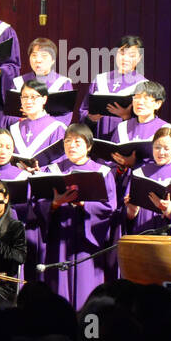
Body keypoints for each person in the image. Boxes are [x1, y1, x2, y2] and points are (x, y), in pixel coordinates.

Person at [35, 123, 116, 309]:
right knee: (58, 292)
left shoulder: (102, 173)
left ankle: (89, 333)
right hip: (59, 239)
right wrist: (54, 204)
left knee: (87, 294)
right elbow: (38, 203)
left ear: (89, 146)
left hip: (86, 243)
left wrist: (84, 204)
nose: (71, 146)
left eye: (77, 142)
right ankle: (61, 330)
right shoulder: (53, 170)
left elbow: (109, 207)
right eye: (67, 141)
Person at [124, 126, 171, 237]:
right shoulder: (139, 173)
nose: (161, 152)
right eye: (157, 147)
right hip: (141, 233)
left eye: (166, 148)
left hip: (168, 237)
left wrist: (168, 209)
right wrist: (131, 210)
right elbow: (128, 216)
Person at [6, 37, 76, 127]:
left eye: (44, 56)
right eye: (34, 55)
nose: (38, 60)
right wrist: (22, 120)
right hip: (23, 130)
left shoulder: (62, 83)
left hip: (50, 133)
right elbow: (8, 117)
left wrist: (39, 120)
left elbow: (65, 117)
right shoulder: (19, 82)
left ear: (53, 60)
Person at [86, 35, 146, 139]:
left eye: (131, 55)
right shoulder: (100, 80)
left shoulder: (143, 85)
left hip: (124, 140)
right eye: (122, 53)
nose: (125, 59)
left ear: (139, 58)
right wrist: (91, 118)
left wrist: (126, 117)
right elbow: (84, 109)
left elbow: (146, 120)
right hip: (97, 138)